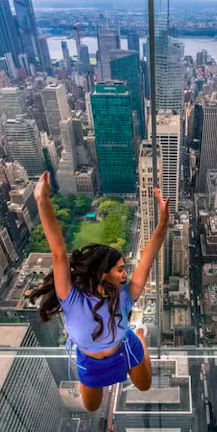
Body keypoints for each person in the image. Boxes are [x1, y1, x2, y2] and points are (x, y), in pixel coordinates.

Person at [30, 172, 170, 411]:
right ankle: (134, 334)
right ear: (103, 272)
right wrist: (43, 201)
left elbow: (147, 260)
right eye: (120, 269)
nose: (126, 275)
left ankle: (139, 335)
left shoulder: (124, 297)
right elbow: (59, 253)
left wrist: (163, 223)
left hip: (123, 349)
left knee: (145, 386)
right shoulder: (71, 298)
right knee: (92, 406)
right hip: (90, 361)